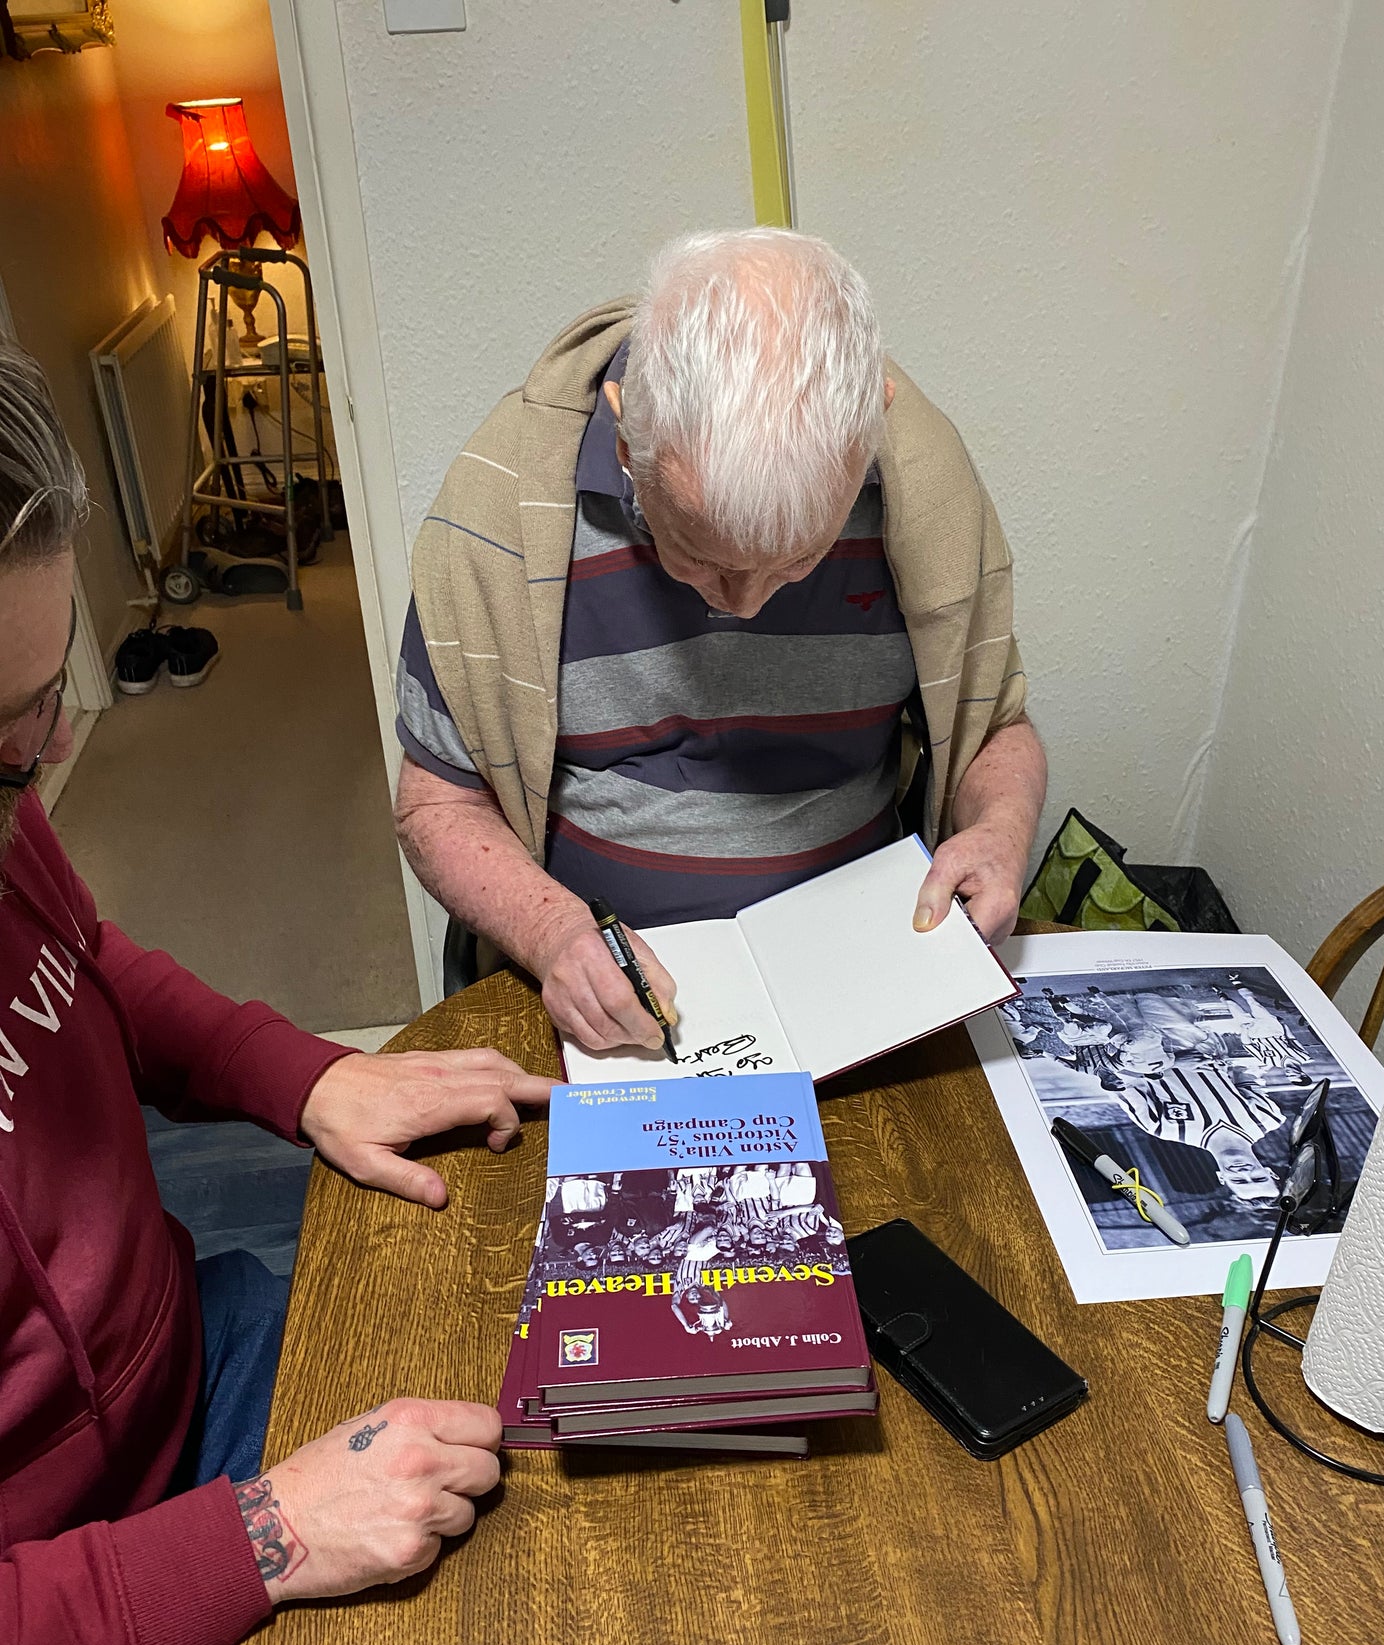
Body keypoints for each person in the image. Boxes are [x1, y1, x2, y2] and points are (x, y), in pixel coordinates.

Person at [0, 342, 557, 1645]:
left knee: (543, 1499)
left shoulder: (2, 805)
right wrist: (260, 1537)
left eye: (43, 697)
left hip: (192, 1368)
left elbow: (78, 962)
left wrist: (302, 1071)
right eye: (2, 725)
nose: (42, 758)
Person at [392, 228, 1047, 1057]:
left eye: (799, 559)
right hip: (599, 993)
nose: (743, 604)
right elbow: (434, 803)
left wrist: (998, 830)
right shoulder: (500, 516)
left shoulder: (924, 494)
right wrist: (553, 932)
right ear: (629, 439)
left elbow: (996, 730)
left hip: (866, 976)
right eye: (700, 553)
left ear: (868, 434)